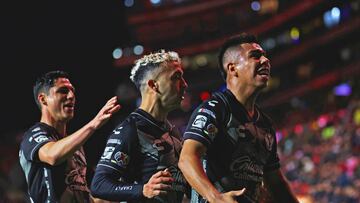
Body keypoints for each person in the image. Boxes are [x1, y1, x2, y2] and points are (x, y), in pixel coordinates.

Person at [178, 33, 299, 203]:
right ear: (233, 68)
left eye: (265, 55)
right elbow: (187, 159)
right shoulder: (215, 108)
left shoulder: (265, 125)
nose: (265, 60)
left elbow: (276, 184)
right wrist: (216, 198)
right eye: (255, 56)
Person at [90, 50, 189, 202]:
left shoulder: (171, 130)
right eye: (176, 77)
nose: (184, 84)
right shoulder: (130, 129)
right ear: (153, 85)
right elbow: (99, 185)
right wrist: (142, 189)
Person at [19, 70, 121, 203]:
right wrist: (94, 123)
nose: (71, 95)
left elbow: (83, 195)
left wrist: (130, 192)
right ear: (43, 99)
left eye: (72, 90)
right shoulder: (33, 135)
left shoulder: (75, 146)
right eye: (63, 91)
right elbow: (52, 155)